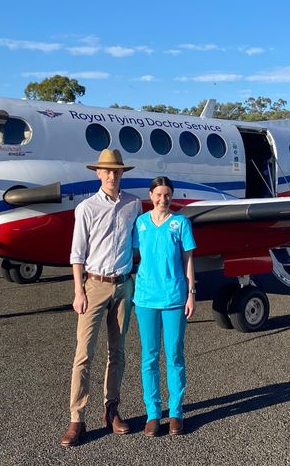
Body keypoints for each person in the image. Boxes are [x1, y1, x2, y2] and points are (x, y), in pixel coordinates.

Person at [60, 149, 142, 447]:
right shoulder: (86, 208)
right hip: (94, 285)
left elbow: (138, 244)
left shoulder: (134, 204)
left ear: (122, 173)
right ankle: (76, 418)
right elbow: (77, 254)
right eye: (106, 171)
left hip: (123, 286)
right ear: (98, 173)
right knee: (84, 354)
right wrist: (78, 290)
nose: (111, 175)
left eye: (116, 171)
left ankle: (112, 410)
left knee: (117, 352)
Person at [132, 176, 196, 437]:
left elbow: (188, 260)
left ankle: (176, 412)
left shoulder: (181, 223)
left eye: (167, 194)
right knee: (149, 356)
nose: (163, 199)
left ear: (172, 196)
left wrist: (191, 294)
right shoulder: (141, 223)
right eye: (158, 194)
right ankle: (153, 413)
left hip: (174, 298)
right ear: (151, 195)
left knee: (174, 355)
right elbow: (133, 254)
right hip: (145, 298)